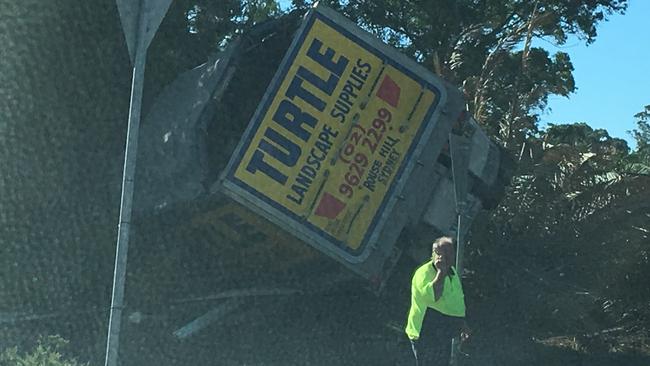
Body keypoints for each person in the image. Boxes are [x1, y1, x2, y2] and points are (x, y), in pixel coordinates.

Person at [405, 236, 470, 365]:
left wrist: (462, 324)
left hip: (443, 332)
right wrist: (441, 272)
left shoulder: (453, 273)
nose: (446, 257)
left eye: (449, 253)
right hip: (427, 331)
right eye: (441, 253)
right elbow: (434, 296)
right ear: (434, 253)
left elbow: (455, 300)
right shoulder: (424, 273)